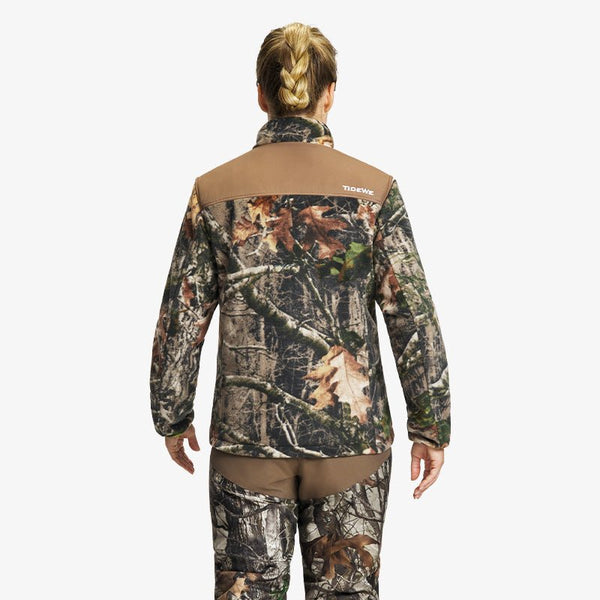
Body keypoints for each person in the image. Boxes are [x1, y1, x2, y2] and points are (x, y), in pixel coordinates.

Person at [149, 21, 451, 599]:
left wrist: (171, 412)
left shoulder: (214, 192)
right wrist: (430, 423)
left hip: (247, 443)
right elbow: (412, 316)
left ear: (261, 95)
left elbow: (181, 316)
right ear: (330, 94)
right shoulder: (374, 192)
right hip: (351, 444)